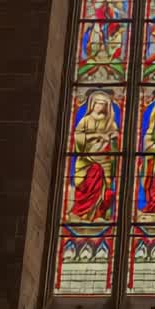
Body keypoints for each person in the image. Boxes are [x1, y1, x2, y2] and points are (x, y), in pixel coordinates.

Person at [68, 91, 119, 221]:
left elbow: (115, 141)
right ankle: (81, 212)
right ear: (92, 104)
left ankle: (98, 213)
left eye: (102, 104)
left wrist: (111, 139)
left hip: (105, 159)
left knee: (104, 183)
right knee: (87, 183)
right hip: (87, 159)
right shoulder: (85, 120)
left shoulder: (110, 123)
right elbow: (78, 137)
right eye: (97, 104)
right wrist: (95, 136)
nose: (99, 107)